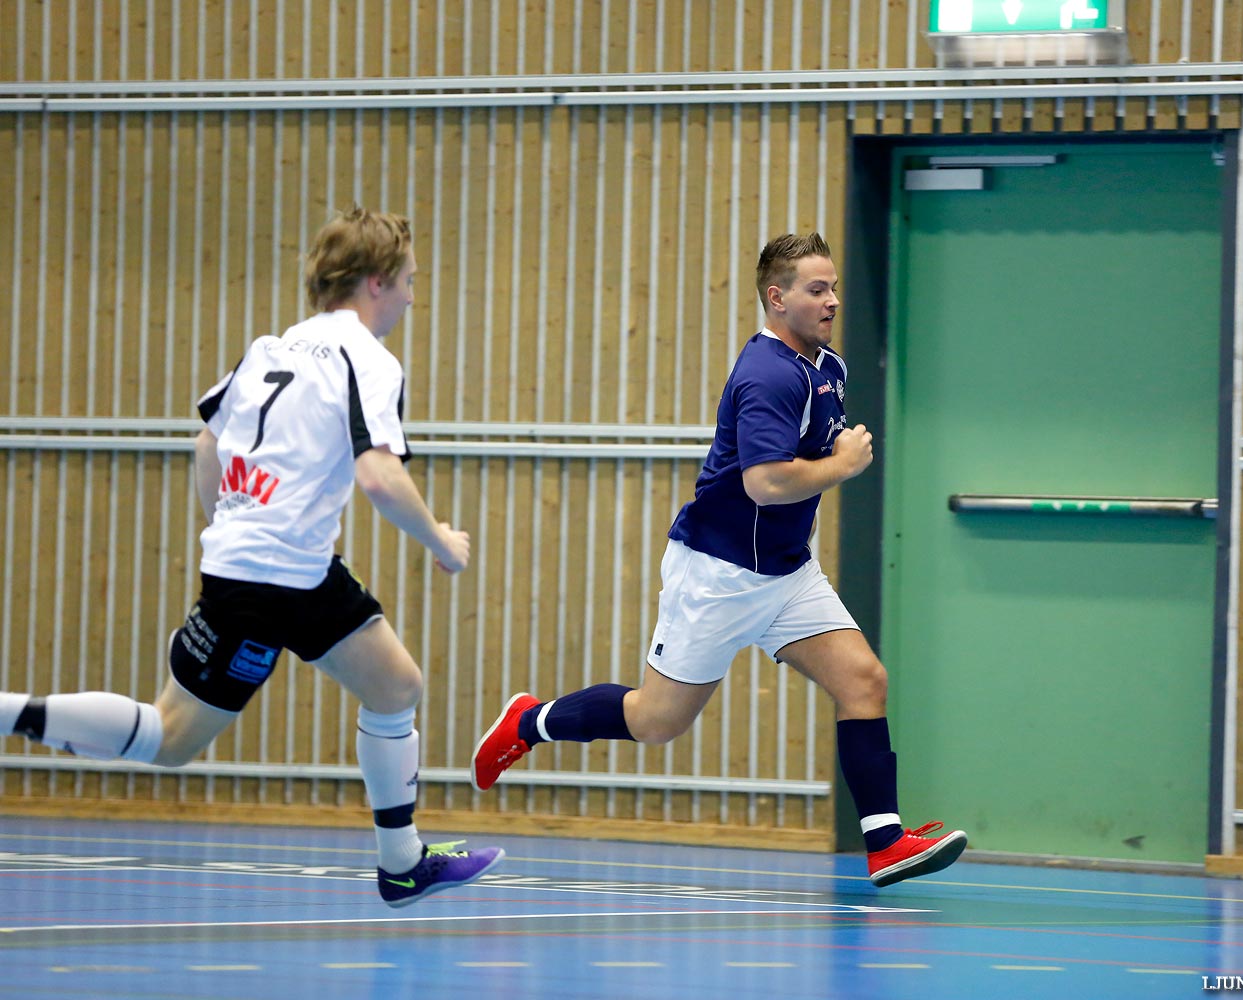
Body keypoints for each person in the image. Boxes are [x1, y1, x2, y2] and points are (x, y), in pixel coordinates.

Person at [0, 207, 503, 907]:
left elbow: (208, 444)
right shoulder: (368, 359)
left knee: (396, 685)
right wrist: (442, 543)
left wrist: (230, 524)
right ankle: (5, 711)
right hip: (272, 577)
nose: (414, 298)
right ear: (377, 283)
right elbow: (380, 476)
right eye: (411, 282)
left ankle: (402, 862)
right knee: (169, 738)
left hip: (289, 568)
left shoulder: (270, 348)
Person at [471, 232, 966, 887]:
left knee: (863, 681)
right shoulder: (767, 374)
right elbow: (764, 482)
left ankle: (885, 842)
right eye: (817, 290)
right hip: (719, 575)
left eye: (834, 287)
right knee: (656, 722)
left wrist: (830, 454)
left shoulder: (829, 368)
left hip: (787, 573)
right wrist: (842, 464)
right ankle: (530, 721)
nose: (833, 301)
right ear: (776, 297)